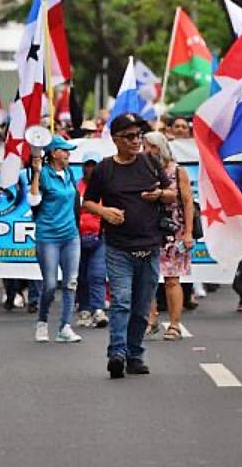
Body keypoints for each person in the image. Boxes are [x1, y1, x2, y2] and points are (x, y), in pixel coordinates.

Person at [83, 112, 176, 379]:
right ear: (116, 140)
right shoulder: (104, 168)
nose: (136, 141)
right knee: (121, 301)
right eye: (130, 136)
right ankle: (117, 353)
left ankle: (135, 354)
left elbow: (171, 194)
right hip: (118, 246)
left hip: (149, 245)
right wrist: (105, 212)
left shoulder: (150, 162)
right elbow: (87, 201)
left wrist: (158, 194)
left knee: (142, 304)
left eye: (139, 136)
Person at [23, 135, 82, 343]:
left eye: (68, 151)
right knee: (49, 284)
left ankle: (65, 326)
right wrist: (37, 173)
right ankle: (42, 321)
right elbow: (33, 199)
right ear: (53, 153)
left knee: (71, 282)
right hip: (48, 236)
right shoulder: (43, 174)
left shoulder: (70, 173)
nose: (68, 154)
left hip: (71, 235)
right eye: (64, 150)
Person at [144, 132, 194, 340]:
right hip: (149, 229)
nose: (148, 151)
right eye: (146, 146)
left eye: (152, 147)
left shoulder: (177, 171)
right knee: (148, 278)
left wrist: (189, 232)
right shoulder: (143, 170)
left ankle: (174, 324)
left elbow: (188, 201)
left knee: (172, 279)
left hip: (173, 231)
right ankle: (151, 319)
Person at [75, 153, 108, 328]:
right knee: (81, 276)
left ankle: (98, 309)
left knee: (97, 274)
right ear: (82, 167)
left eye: (94, 165)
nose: (91, 169)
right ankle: (84, 309)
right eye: (88, 165)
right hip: (78, 237)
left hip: (100, 235)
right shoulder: (75, 187)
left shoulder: (106, 187)